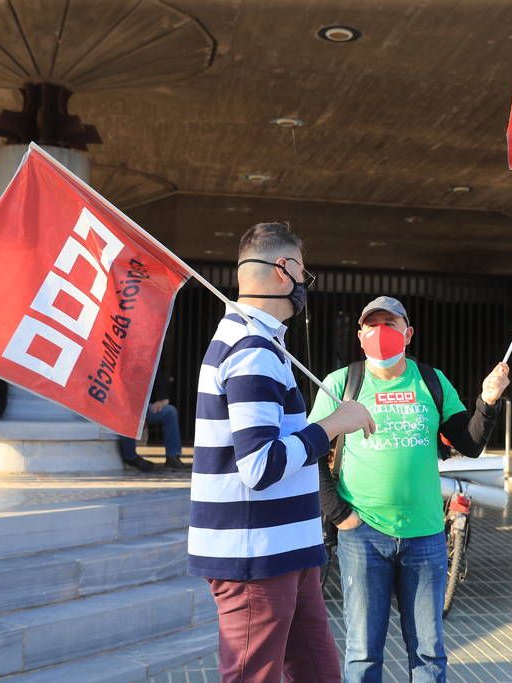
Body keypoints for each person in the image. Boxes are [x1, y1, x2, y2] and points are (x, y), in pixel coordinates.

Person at [187, 222, 374, 683]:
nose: (306, 284)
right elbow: (260, 465)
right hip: (258, 552)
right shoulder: (252, 349)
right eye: (304, 272)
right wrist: (332, 426)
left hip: (286, 546)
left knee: (317, 667)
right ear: (284, 269)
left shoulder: (258, 342)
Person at [310, 295, 509, 682]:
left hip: (426, 536)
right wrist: (340, 516)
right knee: (363, 653)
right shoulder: (341, 383)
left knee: (429, 652)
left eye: (391, 323)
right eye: (373, 324)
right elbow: (312, 450)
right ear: (360, 335)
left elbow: (468, 443)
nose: (381, 332)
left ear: (408, 333)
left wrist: (487, 400)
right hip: (363, 535)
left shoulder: (431, 381)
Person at [117, 358, 187, 471]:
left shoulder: (147, 353)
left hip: (143, 406)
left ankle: (172, 457)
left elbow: (157, 372)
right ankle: (130, 457)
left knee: (170, 412)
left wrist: (163, 398)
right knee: (127, 414)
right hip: (122, 405)